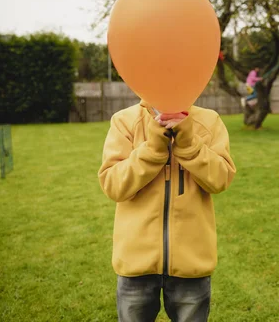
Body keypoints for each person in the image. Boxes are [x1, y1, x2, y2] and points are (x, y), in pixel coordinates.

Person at [98, 101, 236, 322]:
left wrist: (189, 143)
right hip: (136, 264)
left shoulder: (209, 121)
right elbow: (113, 186)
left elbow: (220, 180)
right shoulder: (124, 121)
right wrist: (152, 150)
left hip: (192, 264)